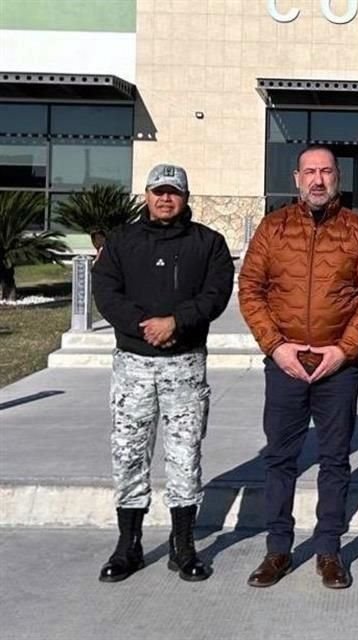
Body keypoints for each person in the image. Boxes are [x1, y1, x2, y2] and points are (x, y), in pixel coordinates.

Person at [239, 145, 358, 589]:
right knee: (281, 459)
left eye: (325, 171)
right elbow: (250, 288)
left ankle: (329, 551)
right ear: (296, 178)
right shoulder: (273, 227)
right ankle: (278, 550)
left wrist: (344, 350)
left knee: (335, 461)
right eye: (310, 172)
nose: (318, 180)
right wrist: (276, 346)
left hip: (338, 368)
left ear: (337, 177)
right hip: (285, 363)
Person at [93, 163, 234, 583]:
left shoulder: (208, 243)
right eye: (158, 191)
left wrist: (176, 322)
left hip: (185, 364)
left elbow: (216, 293)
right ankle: (128, 546)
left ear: (186, 197)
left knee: (184, 455)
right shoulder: (121, 242)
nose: (165, 198)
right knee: (129, 453)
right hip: (133, 365)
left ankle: (183, 545)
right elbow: (106, 292)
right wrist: (144, 326)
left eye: (173, 191)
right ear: (147, 195)